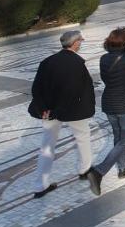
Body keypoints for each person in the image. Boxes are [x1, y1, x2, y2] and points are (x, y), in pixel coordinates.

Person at [28, 30, 96, 198]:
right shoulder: (77, 63)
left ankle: (40, 185)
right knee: (83, 137)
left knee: (47, 146)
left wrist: (44, 108)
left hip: (49, 111)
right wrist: (60, 111)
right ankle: (84, 170)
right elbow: (76, 91)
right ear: (75, 43)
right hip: (73, 111)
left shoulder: (47, 62)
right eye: (80, 40)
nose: (81, 43)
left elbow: (36, 88)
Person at [85, 27, 125, 195]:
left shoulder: (104, 58)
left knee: (118, 137)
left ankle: (124, 168)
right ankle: (98, 172)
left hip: (109, 103)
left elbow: (106, 78)